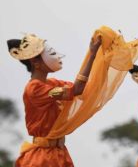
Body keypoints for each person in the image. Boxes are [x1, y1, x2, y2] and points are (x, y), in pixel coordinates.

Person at [8, 33, 101, 167]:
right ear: (35, 62)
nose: (56, 56)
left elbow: (81, 88)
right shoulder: (34, 89)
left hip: (59, 153)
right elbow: (77, 90)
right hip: (42, 158)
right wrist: (92, 55)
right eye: (49, 54)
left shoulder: (51, 83)